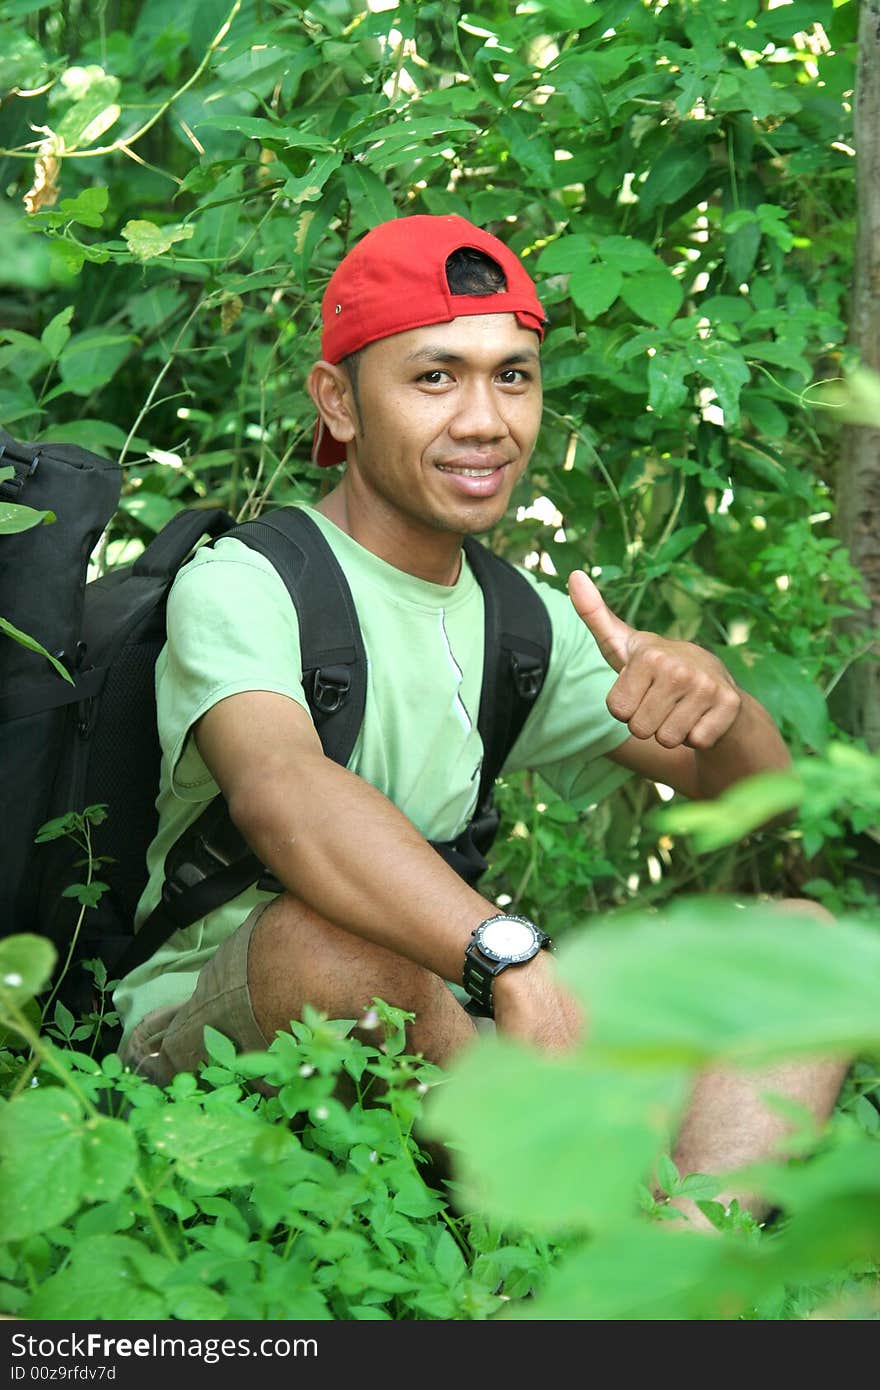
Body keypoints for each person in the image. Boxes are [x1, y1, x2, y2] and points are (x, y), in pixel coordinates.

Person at [116, 213, 847, 1226]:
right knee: (331, 950)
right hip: (226, 1019)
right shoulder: (249, 582)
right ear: (339, 398)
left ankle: (686, 1243)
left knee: (804, 940)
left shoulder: (520, 620)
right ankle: (591, 1214)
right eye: (434, 377)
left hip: (440, 1025)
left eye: (514, 375)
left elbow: (758, 797)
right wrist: (512, 958)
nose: (484, 420)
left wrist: (713, 703)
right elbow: (287, 794)